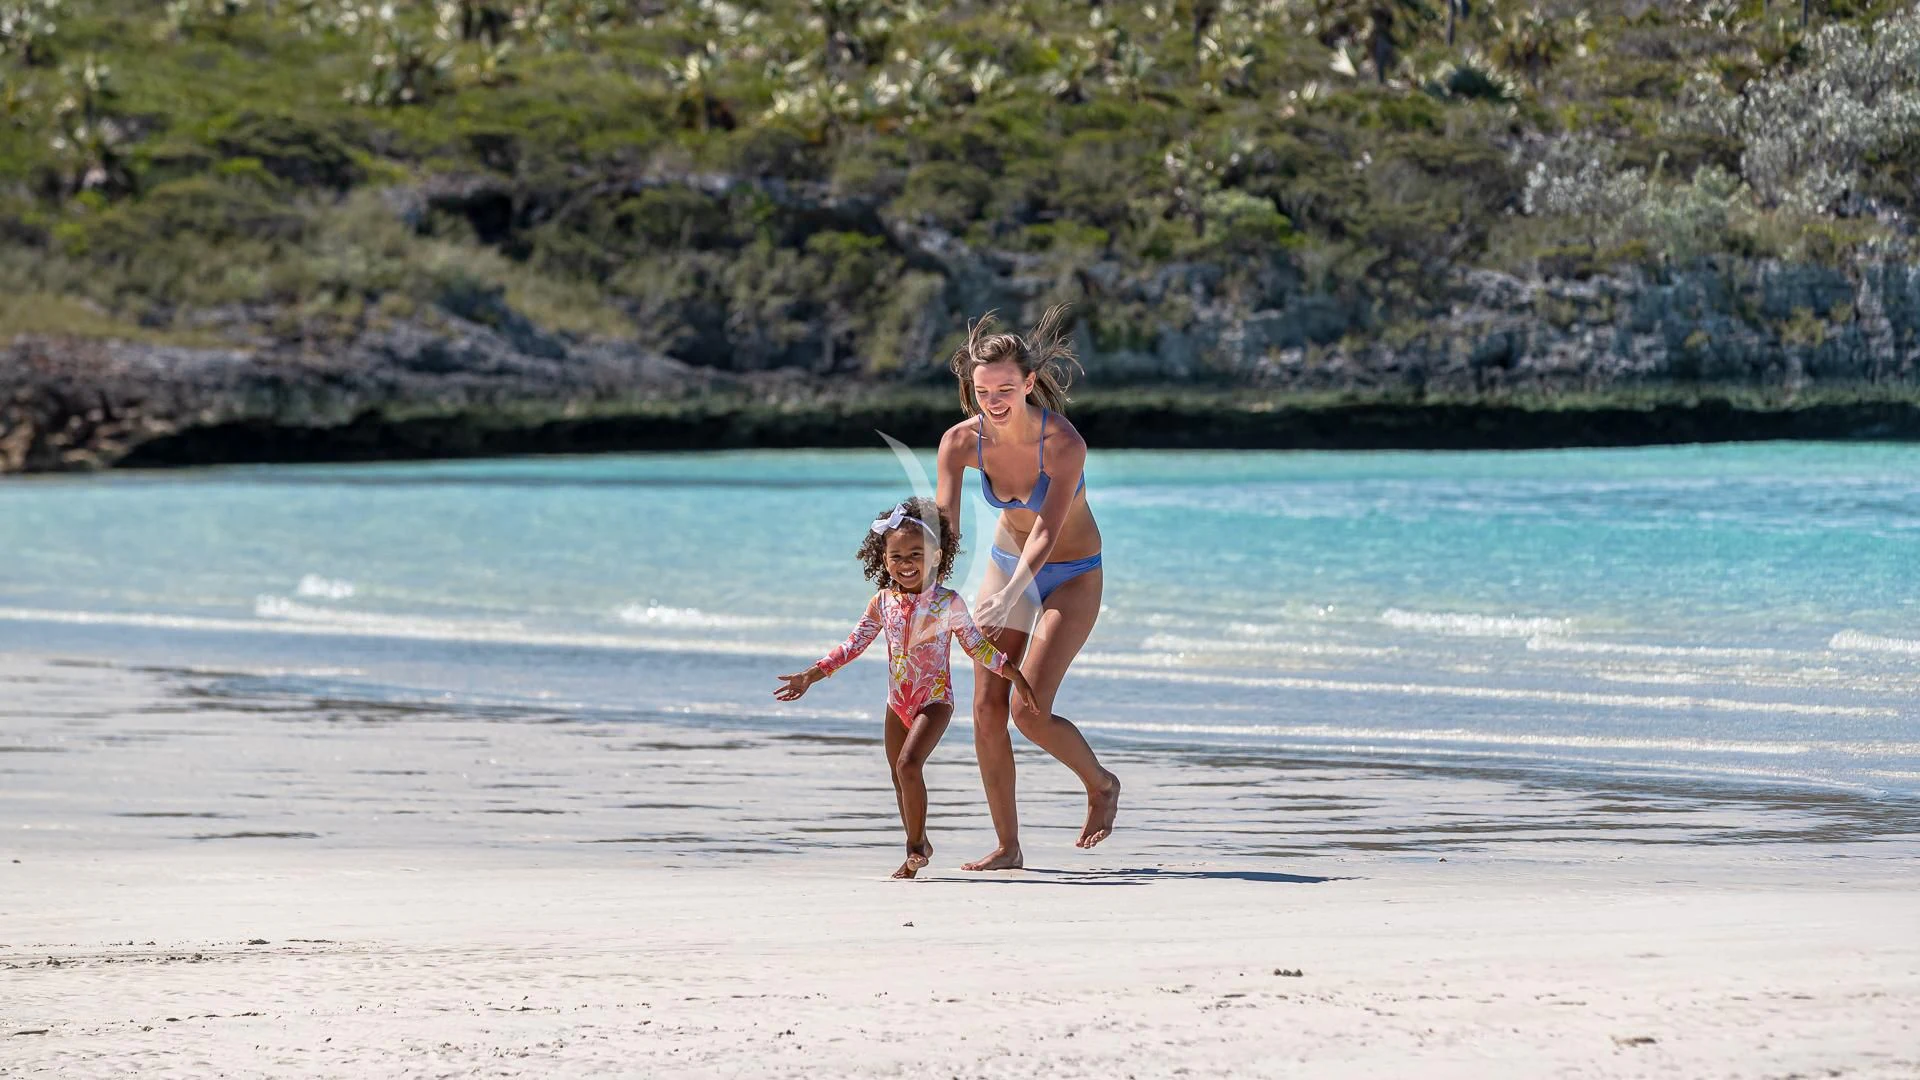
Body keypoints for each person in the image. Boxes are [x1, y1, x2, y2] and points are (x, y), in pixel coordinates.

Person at [934, 305, 1121, 871]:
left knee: (1029, 711)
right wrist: (929, 588)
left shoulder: (1063, 443)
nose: (993, 399)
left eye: (1006, 388)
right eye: (983, 389)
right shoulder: (960, 443)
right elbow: (947, 524)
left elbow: (1048, 527)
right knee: (987, 708)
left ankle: (1102, 784)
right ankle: (1009, 846)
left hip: (1072, 573)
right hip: (1003, 563)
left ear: (1029, 384)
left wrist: (1016, 591)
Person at [776, 497, 1037, 879]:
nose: (906, 563)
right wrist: (810, 676)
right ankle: (917, 846)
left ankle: (916, 847)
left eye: (916, 553)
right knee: (899, 776)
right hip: (896, 703)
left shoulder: (949, 603)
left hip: (934, 701)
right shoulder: (882, 602)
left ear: (935, 556)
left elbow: (976, 646)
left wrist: (1013, 673)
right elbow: (853, 645)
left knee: (908, 765)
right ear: (884, 561)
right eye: (896, 557)